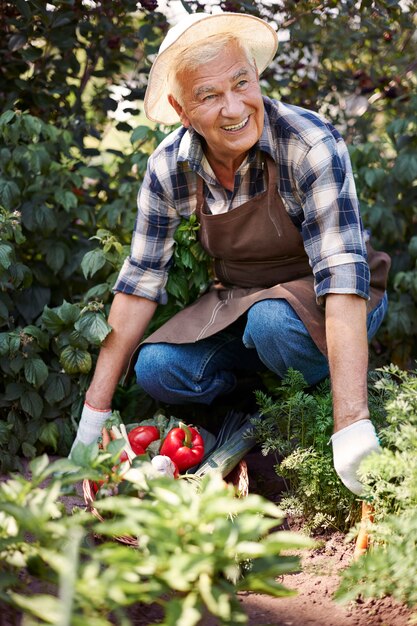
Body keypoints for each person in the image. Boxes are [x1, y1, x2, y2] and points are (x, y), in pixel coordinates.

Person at [70, 11, 390, 496]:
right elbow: (139, 283)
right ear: (182, 110)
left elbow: (343, 275)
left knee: (272, 325)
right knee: (157, 367)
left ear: (256, 77)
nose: (235, 106)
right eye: (209, 95)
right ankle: (259, 408)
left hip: (337, 298)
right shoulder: (169, 168)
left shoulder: (307, 144)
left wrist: (352, 422)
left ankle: (324, 399)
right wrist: (92, 421)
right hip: (243, 300)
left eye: (242, 82)